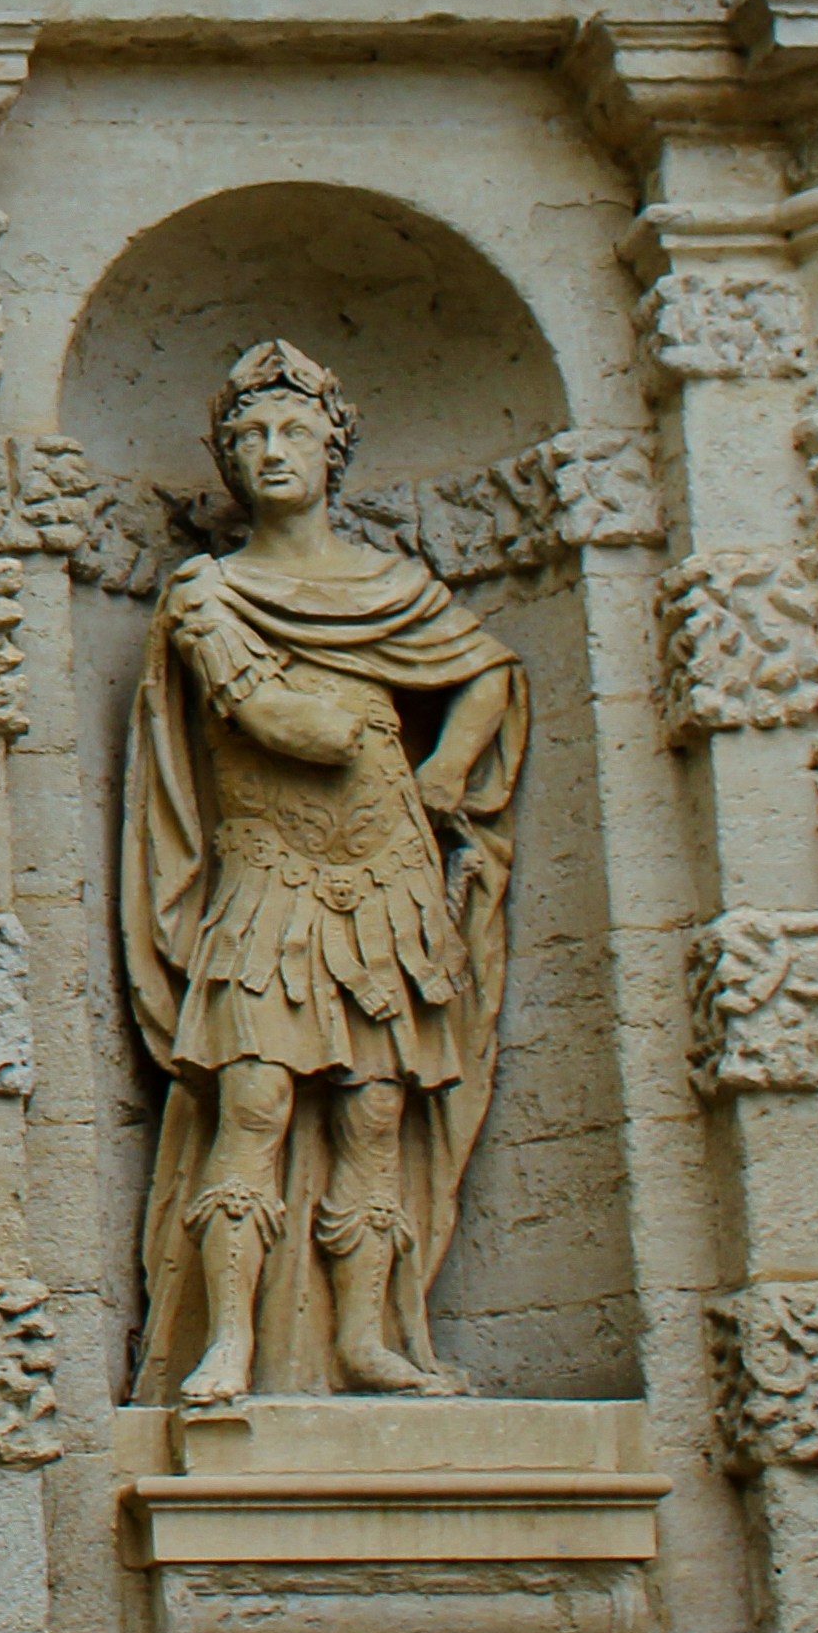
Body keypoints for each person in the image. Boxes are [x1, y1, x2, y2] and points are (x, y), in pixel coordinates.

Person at [120, 338, 528, 1407]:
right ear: (223, 456)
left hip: (385, 883)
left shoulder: (392, 589)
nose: (269, 449)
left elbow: (483, 670)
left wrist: (443, 766)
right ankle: (227, 1348)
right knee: (249, 1106)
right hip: (270, 877)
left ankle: (365, 1339)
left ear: (330, 449)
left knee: (374, 1117)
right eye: (248, 434)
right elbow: (280, 722)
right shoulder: (208, 593)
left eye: (292, 430)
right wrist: (343, 722)